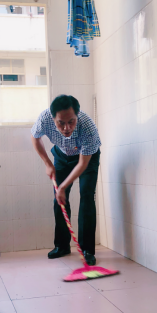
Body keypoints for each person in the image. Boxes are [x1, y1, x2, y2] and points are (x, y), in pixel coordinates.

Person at [31, 95, 101, 266]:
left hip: (87, 158)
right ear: (52, 117)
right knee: (59, 199)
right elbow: (35, 137)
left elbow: (82, 164)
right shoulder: (44, 118)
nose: (66, 128)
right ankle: (62, 246)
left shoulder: (87, 126)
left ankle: (87, 250)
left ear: (77, 115)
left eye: (71, 122)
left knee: (87, 196)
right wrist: (48, 163)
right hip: (62, 155)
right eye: (61, 123)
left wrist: (63, 186)